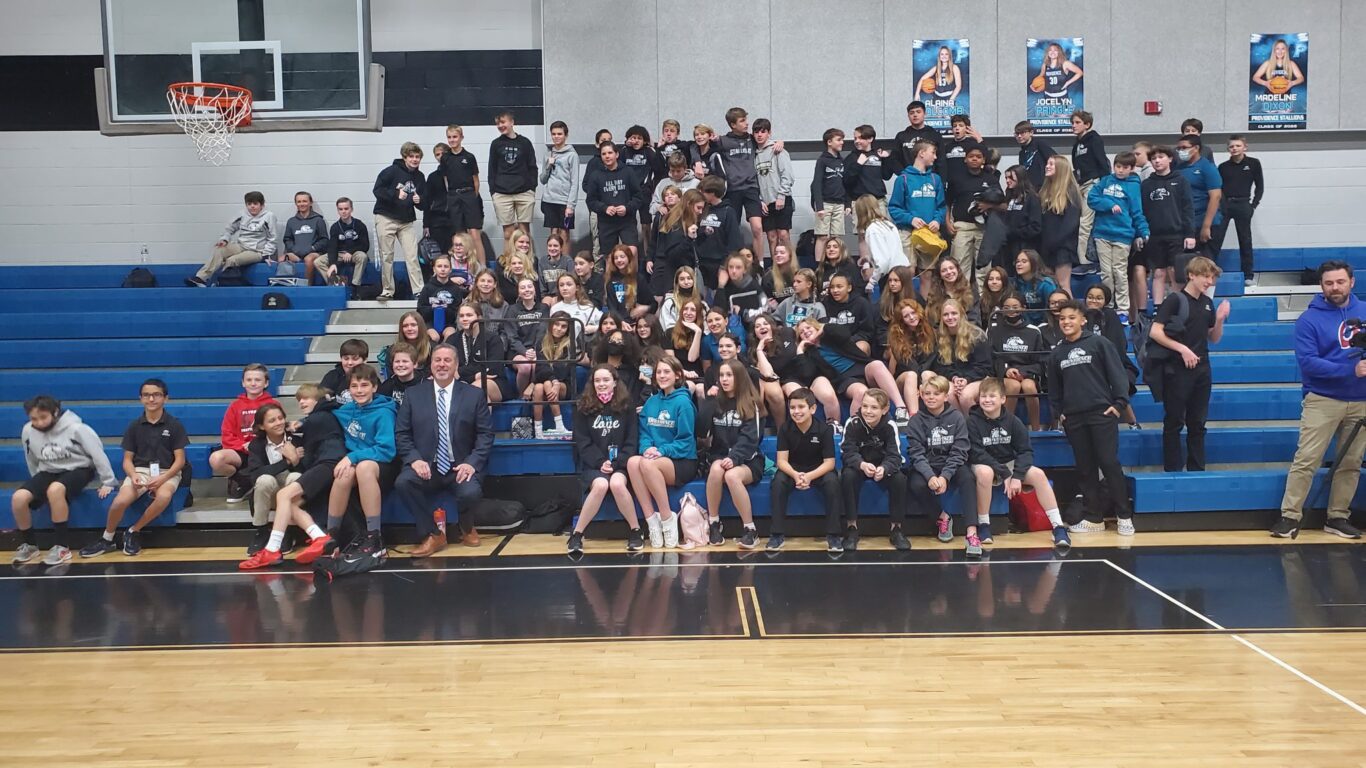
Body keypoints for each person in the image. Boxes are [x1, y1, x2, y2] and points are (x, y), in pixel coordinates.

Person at [1272, 260, 1366, 539]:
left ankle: (1337, 517)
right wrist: (1349, 370)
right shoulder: (1309, 320)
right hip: (1322, 400)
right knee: (1307, 459)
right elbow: (1309, 363)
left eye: (1340, 282)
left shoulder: (1364, 312)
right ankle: (1289, 517)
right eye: (1329, 283)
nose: (1335, 287)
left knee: (1351, 462)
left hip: (1361, 401)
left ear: (1352, 282)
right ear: (1321, 286)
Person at [394, 344, 494, 556]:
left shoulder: (474, 395)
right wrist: (414, 459)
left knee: (470, 491)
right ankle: (433, 534)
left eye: (447, 360)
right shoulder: (413, 395)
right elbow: (402, 433)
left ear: (456, 365)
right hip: (426, 465)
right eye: (437, 360)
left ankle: (466, 526)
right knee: (404, 482)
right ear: (430, 365)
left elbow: (486, 435)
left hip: (459, 465)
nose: (441, 364)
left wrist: (471, 463)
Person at [1046, 301, 1134, 534]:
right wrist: (1060, 413)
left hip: (1101, 414)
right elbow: (1054, 390)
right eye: (1062, 318)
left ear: (1083, 320)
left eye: (1071, 317)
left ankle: (1124, 515)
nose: (1066, 322)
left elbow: (1118, 375)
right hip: (1074, 418)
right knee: (1085, 469)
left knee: (1108, 463)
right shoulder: (1056, 353)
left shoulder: (1099, 343)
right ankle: (1094, 518)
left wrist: (1119, 404)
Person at [236, 384, 345, 569]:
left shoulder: (319, 417)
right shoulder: (317, 416)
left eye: (306, 398)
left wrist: (298, 427)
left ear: (318, 400)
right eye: (299, 400)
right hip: (324, 463)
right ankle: (318, 537)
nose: (302, 402)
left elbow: (313, 425)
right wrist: (290, 457)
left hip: (329, 463)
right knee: (289, 502)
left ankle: (272, 549)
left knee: (284, 495)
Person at [79, 379, 188, 558]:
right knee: (120, 501)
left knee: (164, 496)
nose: (151, 399)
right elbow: (127, 460)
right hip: (140, 471)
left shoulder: (175, 425)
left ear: (165, 398)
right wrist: (133, 475)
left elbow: (180, 461)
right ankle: (108, 538)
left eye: (156, 395)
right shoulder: (134, 426)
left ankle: (133, 531)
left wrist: (162, 479)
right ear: (141, 398)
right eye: (147, 395)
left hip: (167, 472)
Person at [9, 396, 117, 566]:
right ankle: (30, 545)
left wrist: (108, 481)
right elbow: (30, 458)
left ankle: (62, 547)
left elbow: (98, 454)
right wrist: (36, 485)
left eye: (43, 417)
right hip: (48, 470)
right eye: (34, 419)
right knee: (19, 498)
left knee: (55, 490)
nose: (39, 423)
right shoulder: (28, 431)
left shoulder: (77, 429)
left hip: (79, 469)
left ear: (55, 412)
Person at [1149, 256, 1230, 472]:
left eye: (1212, 277)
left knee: (1198, 423)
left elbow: (1213, 337)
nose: (1209, 281)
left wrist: (1220, 319)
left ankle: (1197, 469)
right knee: (1174, 421)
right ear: (1191, 275)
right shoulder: (1175, 299)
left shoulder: (1207, 303)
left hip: (1202, 368)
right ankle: (1172, 471)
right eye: (1205, 276)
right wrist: (1183, 349)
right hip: (1177, 369)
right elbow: (1155, 331)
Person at [969, 377, 1069, 549]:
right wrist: (1005, 473)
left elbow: (1025, 451)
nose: (987, 400)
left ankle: (1058, 526)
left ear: (1003, 399)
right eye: (983, 396)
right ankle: (984, 525)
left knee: (1038, 475)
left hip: (1008, 463)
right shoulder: (972, 421)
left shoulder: (1013, 421)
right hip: (984, 464)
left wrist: (1017, 475)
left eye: (992, 396)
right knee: (985, 473)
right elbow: (977, 453)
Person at [568, 366, 644, 553]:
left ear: (615, 382)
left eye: (605, 380)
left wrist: (618, 462)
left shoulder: (627, 405)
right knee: (601, 485)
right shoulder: (582, 406)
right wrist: (600, 462)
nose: (601, 384)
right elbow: (582, 441)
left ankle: (635, 531)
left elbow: (632, 440)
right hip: (594, 464)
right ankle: (577, 535)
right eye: (597, 381)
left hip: (621, 464)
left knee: (617, 483)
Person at [627, 356, 698, 549]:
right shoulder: (651, 402)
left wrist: (661, 450)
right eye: (659, 372)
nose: (662, 376)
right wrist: (646, 448)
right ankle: (652, 522)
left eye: (667, 372)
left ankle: (667, 518)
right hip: (657, 457)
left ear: (677, 375)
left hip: (682, 460)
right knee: (633, 462)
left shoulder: (683, 402)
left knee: (645, 464)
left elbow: (685, 441)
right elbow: (644, 432)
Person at [905, 374, 979, 554]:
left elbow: (960, 450)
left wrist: (945, 476)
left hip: (951, 464)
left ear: (946, 396)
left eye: (936, 394)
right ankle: (942, 517)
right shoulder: (916, 420)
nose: (931, 397)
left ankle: (972, 532)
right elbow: (916, 453)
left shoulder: (957, 417)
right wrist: (930, 476)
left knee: (968, 478)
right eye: (927, 393)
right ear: (921, 395)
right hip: (927, 464)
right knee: (915, 483)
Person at [697, 359, 764, 548]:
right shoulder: (715, 401)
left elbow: (751, 439)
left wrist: (734, 458)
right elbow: (701, 431)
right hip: (719, 456)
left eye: (729, 375)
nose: (724, 379)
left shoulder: (751, 403)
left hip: (748, 460)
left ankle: (750, 529)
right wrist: (708, 402)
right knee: (717, 469)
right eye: (722, 376)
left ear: (739, 377)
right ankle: (714, 523)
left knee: (733, 476)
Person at [768, 388, 843, 552]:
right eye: (792, 408)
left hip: (818, 470)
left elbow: (829, 463)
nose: (796, 411)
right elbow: (781, 461)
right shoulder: (785, 429)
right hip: (792, 470)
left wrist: (809, 476)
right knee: (778, 482)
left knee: (832, 481)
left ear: (813, 409)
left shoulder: (824, 429)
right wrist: (796, 475)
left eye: (801, 407)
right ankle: (776, 534)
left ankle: (834, 535)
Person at [840, 388, 910, 551]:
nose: (868, 411)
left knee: (899, 479)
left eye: (874, 407)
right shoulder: (853, 423)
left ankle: (896, 529)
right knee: (847, 476)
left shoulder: (890, 425)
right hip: (860, 466)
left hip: (882, 466)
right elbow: (847, 452)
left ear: (884, 409)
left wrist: (884, 468)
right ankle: (852, 528)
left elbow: (895, 456)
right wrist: (861, 464)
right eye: (865, 406)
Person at [1087, 151, 1149, 325]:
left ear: (1132, 168)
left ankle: (1122, 309)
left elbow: (1137, 211)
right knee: (1106, 273)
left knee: (1120, 272)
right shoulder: (1106, 180)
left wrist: (1143, 230)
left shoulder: (1133, 185)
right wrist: (1109, 204)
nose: (1120, 170)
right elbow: (1092, 198)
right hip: (1102, 234)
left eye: (1125, 167)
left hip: (1123, 235)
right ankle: (1108, 305)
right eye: (1118, 166)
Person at [1137, 145, 1196, 316]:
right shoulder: (1147, 184)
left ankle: (1178, 305)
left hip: (1176, 234)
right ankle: (1158, 307)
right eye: (1154, 158)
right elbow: (1142, 210)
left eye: (1161, 157)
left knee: (1175, 272)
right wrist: (1142, 233)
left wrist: (1190, 234)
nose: (1157, 161)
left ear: (1170, 159)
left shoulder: (1180, 180)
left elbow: (1188, 209)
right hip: (1155, 236)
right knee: (1158, 272)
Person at [210, 364, 279, 502]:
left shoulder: (273, 404)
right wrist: (243, 446)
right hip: (241, 451)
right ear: (243, 382)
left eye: (258, 380)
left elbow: (277, 433)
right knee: (216, 459)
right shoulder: (235, 406)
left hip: (263, 451)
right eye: (249, 380)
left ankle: (254, 481)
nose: (253, 383)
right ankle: (240, 478)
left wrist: (255, 445)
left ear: (266, 383)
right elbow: (227, 435)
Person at [241, 403, 302, 555]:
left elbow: (307, 472)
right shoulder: (256, 445)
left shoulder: (296, 441)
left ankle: (287, 530)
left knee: (296, 477)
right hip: (269, 493)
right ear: (262, 426)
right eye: (272, 420)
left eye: (281, 418)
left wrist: (296, 461)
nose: (278, 423)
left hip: (293, 494)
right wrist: (289, 460)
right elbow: (255, 474)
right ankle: (261, 531)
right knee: (264, 480)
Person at [371, 142, 426, 301]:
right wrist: (395, 194)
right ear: (404, 157)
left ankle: (419, 290)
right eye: (411, 157)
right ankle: (388, 291)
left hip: (406, 221)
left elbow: (424, 203)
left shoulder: (420, 177)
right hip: (386, 217)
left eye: (417, 157)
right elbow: (377, 190)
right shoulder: (391, 171)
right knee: (387, 255)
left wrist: (419, 200)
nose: (415, 160)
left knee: (412, 256)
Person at [186, 191, 278, 287]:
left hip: (256, 251)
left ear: (262, 205)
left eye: (255, 204)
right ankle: (201, 278)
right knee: (220, 250)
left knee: (231, 260)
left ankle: (222, 282)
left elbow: (273, 237)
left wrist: (267, 254)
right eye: (249, 204)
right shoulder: (242, 214)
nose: (252, 206)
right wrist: (224, 239)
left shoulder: (269, 216)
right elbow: (229, 229)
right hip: (241, 246)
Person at [889, 139, 947, 282]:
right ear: (921, 153)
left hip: (929, 232)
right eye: (933, 153)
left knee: (927, 274)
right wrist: (910, 219)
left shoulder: (935, 179)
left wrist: (937, 220)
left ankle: (925, 304)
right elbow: (893, 208)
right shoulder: (903, 179)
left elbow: (941, 206)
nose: (935, 157)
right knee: (907, 272)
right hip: (907, 232)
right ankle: (907, 304)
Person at [716, 108, 767, 266]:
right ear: (733, 124)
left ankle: (760, 264)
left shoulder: (752, 139)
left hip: (751, 188)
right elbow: (698, 147)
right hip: (732, 190)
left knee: (758, 228)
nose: (747, 124)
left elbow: (767, 143)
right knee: (733, 230)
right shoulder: (723, 141)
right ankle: (734, 263)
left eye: (746, 120)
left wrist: (779, 143)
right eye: (742, 121)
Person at [988, 294, 1046, 431]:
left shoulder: (1034, 331)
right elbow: (991, 358)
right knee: (1013, 386)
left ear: (1023, 308)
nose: (1011, 310)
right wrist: (1006, 369)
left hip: (1027, 373)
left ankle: (1036, 429)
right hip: (1003, 374)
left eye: (1015, 307)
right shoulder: (994, 330)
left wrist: (1024, 373)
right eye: (1006, 307)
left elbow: (1040, 362)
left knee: (1029, 387)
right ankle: (1005, 428)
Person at [945, 146, 1001, 286]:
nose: (975, 159)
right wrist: (947, 222)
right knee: (959, 267)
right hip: (961, 227)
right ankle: (960, 303)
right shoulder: (956, 179)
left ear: (983, 160)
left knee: (984, 269)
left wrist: (989, 206)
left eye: (978, 156)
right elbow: (947, 202)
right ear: (965, 159)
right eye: (971, 156)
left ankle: (986, 303)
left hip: (985, 228)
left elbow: (1003, 203)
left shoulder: (991, 179)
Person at [1214, 135, 1264, 287]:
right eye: (1231, 146)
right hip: (1226, 205)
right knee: (1215, 239)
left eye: (1237, 146)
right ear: (1228, 149)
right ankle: (1209, 271)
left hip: (1243, 204)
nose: (1234, 149)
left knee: (1245, 240)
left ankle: (1248, 275)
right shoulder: (1223, 167)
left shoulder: (1253, 163)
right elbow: (1218, 188)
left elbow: (1260, 186)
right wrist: (1220, 205)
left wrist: (1253, 204)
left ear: (1244, 147)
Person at [584, 141, 646, 260]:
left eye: (610, 153)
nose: (607, 156)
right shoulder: (595, 175)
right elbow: (591, 201)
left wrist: (627, 208)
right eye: (603, 154)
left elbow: (638, 197)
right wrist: (604, 208)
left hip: (627, 220)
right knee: (609, 257)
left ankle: (634, 278)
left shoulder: (628, 172)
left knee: (631, 251)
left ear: (616, 154)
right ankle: (610, 279)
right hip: (606, 222)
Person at [845, 126, 895, 265]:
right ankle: (866, 266)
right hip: (860, 201)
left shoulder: (877, 154)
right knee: (862, 235)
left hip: (878, 200)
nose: (857, 141)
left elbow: (886, 175)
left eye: (860, 138)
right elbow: (847, 180)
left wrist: (886, 159)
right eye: (855, 138)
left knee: (883, 232)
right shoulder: (852, 157)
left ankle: (883, 264)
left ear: (870, 139)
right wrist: (858, 164)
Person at [931, 298, 991, 414]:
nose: (950, 317)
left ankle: (973, 427)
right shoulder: (939, 337)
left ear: (961, 315)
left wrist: (966, 379)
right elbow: (940, 367)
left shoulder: (977, 335)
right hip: (953, 379)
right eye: (946, 315)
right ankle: (961, 426)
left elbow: (984, 366)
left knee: (965, 395)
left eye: (954, 313)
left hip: (977, 378)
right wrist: (955, 378)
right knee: (948, 393)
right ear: (942, 318)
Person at [440, 125, 486, 266]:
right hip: (454, 196)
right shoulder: (445, 158)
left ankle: (482, 267)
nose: (452, 140)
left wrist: (472, 196)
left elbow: (476, 181)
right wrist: (452, 195)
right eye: (449, 137)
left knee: (474, 233)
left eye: (455, 137)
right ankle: (460, 267)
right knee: (459, 235)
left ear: (461, 138)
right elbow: (446, 179)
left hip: (469, 195)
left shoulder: (469, 157)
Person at [489, 110, 538, 242]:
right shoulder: (496, 144)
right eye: (498, 123)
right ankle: (509, 262)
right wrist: (493, 192)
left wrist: (532, 189)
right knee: (508, 234)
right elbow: (492, 169)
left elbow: (532, 166)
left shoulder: (525, 143)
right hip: (502, 193)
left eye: (503, 122)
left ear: (512, 122)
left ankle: (526, 262)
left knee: (524, 233)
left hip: (524, 192)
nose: (500, 125)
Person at [452, 302, 513, 405]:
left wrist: (461, 372)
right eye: (461, 316)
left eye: (469, 315)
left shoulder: (492, 338)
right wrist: (475, 376)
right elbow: (450, 369)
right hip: (462, 382)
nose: (465, 318)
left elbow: (493, 368)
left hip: (493, 382)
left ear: (479, 317)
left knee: (475, 390)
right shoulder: (452, 339)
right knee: (481, 397)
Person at [1175, 134, 1223, 264]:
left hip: (1205, 223)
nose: (1181, 151)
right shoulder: (1179, 169)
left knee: (1206, 265)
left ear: (1196, 148)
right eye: (1178, 148)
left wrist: (1206, 226)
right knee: (1187, 266)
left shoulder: (1207, 167)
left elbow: (1216, 196)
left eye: (1184, 148)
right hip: (1187, 224)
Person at [1039, 155, 1082, 296]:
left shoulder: (1070, 193)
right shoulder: (1045, 191)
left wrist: (1053, 243)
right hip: (1047, 247)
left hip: (1063, 247)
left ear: (1061, 169)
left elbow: (1070, 225)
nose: (1047, 166)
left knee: (1063, 285)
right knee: (1050, 285)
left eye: (1051, 164)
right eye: (1047, 163)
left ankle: (1071, 313)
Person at [754, 117, 795, 259]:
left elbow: (788, 175)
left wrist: (781, 196)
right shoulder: (753, 154)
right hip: (765, 203)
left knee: (783, 235)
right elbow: (754, 181)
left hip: (781, 199)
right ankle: (775, 267)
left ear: (769, 133)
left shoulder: (778, 150)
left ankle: (790, 265)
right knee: (771, 237)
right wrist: (760, 200)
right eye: (756, 132)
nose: (759, 135)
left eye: (763, 131)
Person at [529, 312, 576, 438]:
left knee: (546, 383)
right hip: (549, 384)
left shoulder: (569, 344)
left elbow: (562, 372)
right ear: (550, 325)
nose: (559, 329)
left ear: (567, 329)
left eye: (563, 326)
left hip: (565, 385)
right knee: (539, 387)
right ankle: (538, 431)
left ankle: (559, 425)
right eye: (556, 324)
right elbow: (540, 369)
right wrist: (553, 380)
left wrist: (554, 381)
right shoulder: (541, 342)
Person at [696, 177, 743, 290]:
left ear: (712, 193)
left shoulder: (728, 212)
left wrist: (724, 265)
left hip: (718, 262)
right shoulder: (702, 210)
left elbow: (734, 242)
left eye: (703, 191)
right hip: (701, 261)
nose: (700, 194)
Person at [855, 194, 909, 290]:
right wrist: (869, 257)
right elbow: (891, 251)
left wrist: (872, 282)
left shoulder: (872, 230)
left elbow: (883, 263)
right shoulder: (888, 224)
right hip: (903, 270)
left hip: (891, 275)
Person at [316, 197, 370, 292]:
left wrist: (350, 252)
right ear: (337, 210)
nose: (343, 212)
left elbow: (365, 245)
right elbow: (332, 247)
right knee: (318, 261)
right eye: (340, 209)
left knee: (363, 256)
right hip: (340, 254)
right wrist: (333, 263)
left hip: (355, 253)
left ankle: (355, 286)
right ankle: (336, 283)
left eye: (346, 209)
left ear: (351, 209)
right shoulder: (335, 227)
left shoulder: (359, 225)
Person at [540, 120, 579, 245]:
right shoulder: (548, 154)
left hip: (564, 200)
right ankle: (553, 262)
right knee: (553, 233)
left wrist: (570, 205)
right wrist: (548, 166)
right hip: (550, 199)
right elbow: (543, 179)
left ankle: (566, 262)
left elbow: (575, 182)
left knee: (564, 233)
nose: (556, 137)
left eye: (559, 134)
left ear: (565, 135)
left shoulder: (572, 155)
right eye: (554, 134)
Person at [811, 128, 848, 257]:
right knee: (822, 236)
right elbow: (816, 184)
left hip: (839, 203)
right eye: (839, 140)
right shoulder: (822, 160)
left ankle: (835, 263)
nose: (842, 142)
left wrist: (847, 204)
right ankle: (819, 266)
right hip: (825, 203)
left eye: (842, 140)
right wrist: (819, 206)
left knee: (836, 238)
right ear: (829, 142)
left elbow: (846, 184)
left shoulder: (841, 161)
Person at [281, 191, 329, 285]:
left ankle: (307, 287)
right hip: (296, 253)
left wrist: (311, 249)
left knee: (309, 259)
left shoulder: (318, 220)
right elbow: (287, 239)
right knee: (281, 258)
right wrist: (294, 249)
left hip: (313, 253)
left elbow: (324, 240)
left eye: (304, 201)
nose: (301, 204)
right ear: (296, 203)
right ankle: (286, 289)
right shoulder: (291, 221)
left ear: (310, 203)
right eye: (299, 201)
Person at [416, 254, 466, 341]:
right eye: (439, 266)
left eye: (446, 266)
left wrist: (446, 308)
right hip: (430, 322)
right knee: (434, 337)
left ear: (450, 269)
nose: (442, 269)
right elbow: (420, 309)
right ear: (434, 269)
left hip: (448, 323)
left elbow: (457, 312)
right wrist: (432, 308)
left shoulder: (455, 289)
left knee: (450, 335)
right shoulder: (427, 288)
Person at [377, 311, 432, 381]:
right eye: (405, 326)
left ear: (421, 327)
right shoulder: (391, 351)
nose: (409, 329)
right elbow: (391, 377)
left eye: (413, 325)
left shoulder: (432, 349)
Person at [547, 272, 603, 340]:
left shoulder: (587, 307)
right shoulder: (555, 308)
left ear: (577, 288)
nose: (565, 288)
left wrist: (594, 328)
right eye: (561, 285)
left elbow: (604, 324)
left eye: (569, 284)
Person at [714, 252, 765, 322]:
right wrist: (721, 285)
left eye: (738, 267)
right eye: (731, 267)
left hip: (753, 325)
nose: (734, 271)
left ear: (745, 270)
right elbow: (717, 313)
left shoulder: (754, 286)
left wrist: (742, 312)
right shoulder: (724, 287)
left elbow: (766, 310)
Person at [892, 101, 941, 173]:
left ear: (925, 114)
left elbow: (941, 161)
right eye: (912, 113)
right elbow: (895, 159)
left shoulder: (934, 135)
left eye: (918, 112)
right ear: (908, 116)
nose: (915, 115)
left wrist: (940, 181)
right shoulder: (901, 136)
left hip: (930, 178)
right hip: (908, 179)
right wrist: (903, 174)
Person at [936, 115, 984, 185]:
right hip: (952, 185)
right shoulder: (947, 147)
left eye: (961, 126)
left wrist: (980, 140)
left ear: (967, 128)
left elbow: (987, 158)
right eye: (955, 126)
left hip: (969, 183)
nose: (957, 128)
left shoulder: (973, 144)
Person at [320, 339, 368, 406]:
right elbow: (320, 401)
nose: (350, 363)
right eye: (346, 359)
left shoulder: (370, 377)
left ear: (365, 360)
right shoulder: (332, 376)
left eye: (355, 359)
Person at [1014, 120, 1056, 190]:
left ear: (1031, 133)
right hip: (1029, 188)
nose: (1019, 136)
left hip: (1043, 186)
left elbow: (1055, 159)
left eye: (1022, 133)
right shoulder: (1021, 153)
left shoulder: (1039, 144)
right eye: (1017, 133)